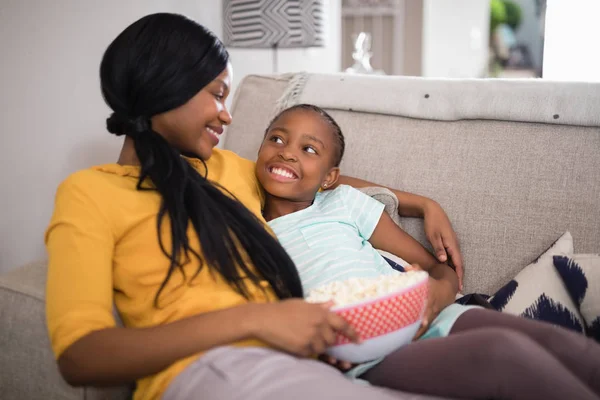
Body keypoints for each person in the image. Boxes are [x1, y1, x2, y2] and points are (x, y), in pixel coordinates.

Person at [45, 13, 463, 400]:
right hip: (211, 370)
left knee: (499, 362)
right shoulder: (90, 192)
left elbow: (309, 177)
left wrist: (420, 203)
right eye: (217, 95)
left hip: (303, 361)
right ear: (167, 85)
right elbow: (80, 356)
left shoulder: (225, 169)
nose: (227, 117)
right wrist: (256, 320)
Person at [256, 103, 600, 400]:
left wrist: (437, 294)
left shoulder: (342, 201)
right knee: (503, 353)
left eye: (309, 149)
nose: (287, 152)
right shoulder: (245, 229)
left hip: (427, 314)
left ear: (331, 177)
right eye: (277, 138)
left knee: (567, 347)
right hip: (361, 352)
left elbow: (437, 269)